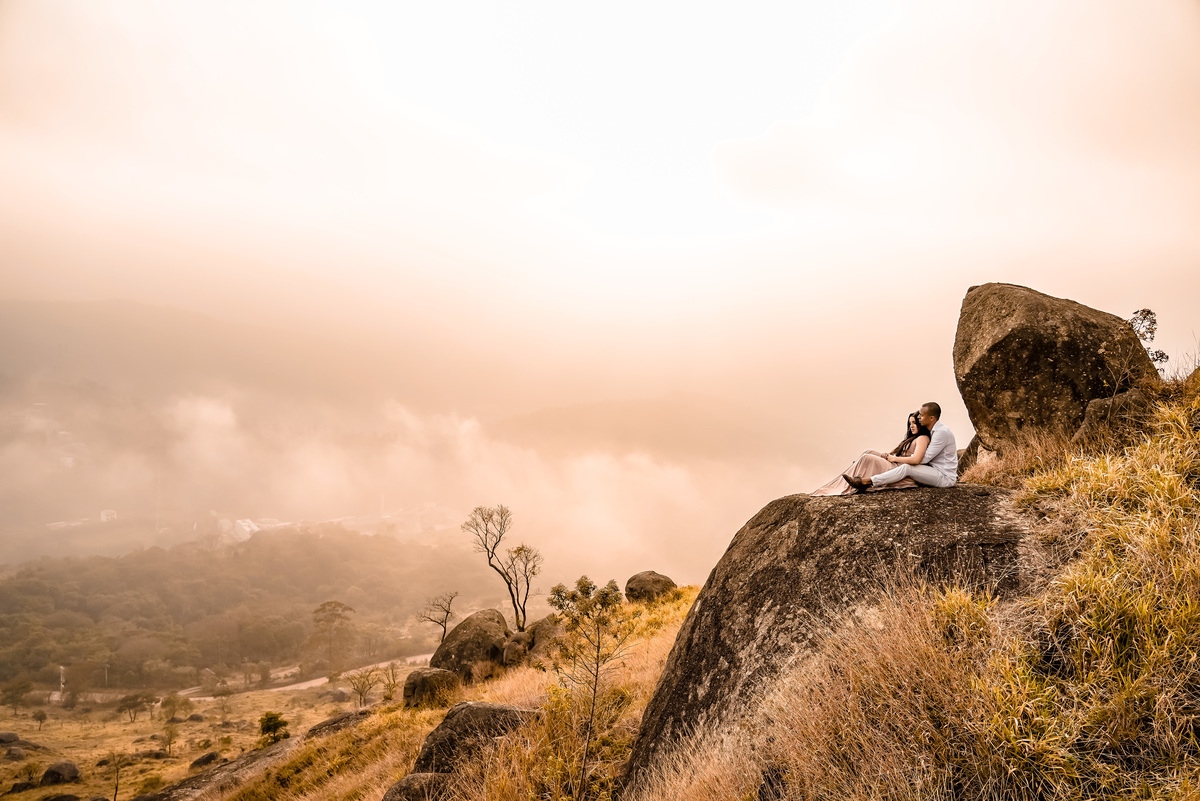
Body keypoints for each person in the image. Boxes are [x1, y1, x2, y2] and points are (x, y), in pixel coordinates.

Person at [843, 402, 957, 492]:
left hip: (944, 477)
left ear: (931, 418)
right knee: (871, 453)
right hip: (933, 470)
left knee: (907, 468)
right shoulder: (933, 431)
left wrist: (897, 459)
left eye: (922, 415)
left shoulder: (941, 432)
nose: (919, 418)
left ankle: (867, 481)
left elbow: (923, 459)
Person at [811, 412, 930, 495]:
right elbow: (893, 451)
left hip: (902, 470)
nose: (912, 426)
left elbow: (916, 459)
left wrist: (894, 459)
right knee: (869, 452)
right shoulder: (910, 438)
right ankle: (857, 470)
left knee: (867, 458)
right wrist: (886, 455)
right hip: (896, 463)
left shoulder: (922, 438)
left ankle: (859, 479)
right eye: (910, 423)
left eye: (914, 423)